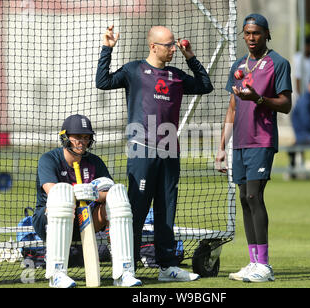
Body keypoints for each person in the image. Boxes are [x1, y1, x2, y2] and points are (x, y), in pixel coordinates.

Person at [95, 25, 213, 282]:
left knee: (166, 210)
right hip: (142, 150)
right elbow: (102, 82)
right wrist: (107, 48)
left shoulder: (177, 75)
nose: (174, 48)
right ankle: (127, 268)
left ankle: (167, 267)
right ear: (153, 46)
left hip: (170, 151)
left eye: (174, 44)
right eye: (169, 45)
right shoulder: (134, 70)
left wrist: (191, 56)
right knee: (136, 210)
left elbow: (206, 85)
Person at [215, 13, 292, 283]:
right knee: (244, 200)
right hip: (240, 143)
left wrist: (259, 98)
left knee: (254, 197)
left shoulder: (278, 63)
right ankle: (254, 262)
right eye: (247, 33)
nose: (251, 37)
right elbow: (233, 107)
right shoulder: (238, 65)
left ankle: (265, 266)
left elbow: (285, 104)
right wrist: (222, 146)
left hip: (262, 140)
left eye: (256, 33)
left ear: (266, 34)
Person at [32, 114, 142, 288]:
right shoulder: (49, 159)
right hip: (49, 220)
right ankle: (57, 274)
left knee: (119, 195)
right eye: (77, 137)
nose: (82, 142)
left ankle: (124, 272)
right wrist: (76, 193)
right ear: (65, 137)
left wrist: (93, 194)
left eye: (86, 137)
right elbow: (51, 191)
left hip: (85, 220)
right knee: (62, 195)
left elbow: (110, 191)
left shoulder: (94, 162)